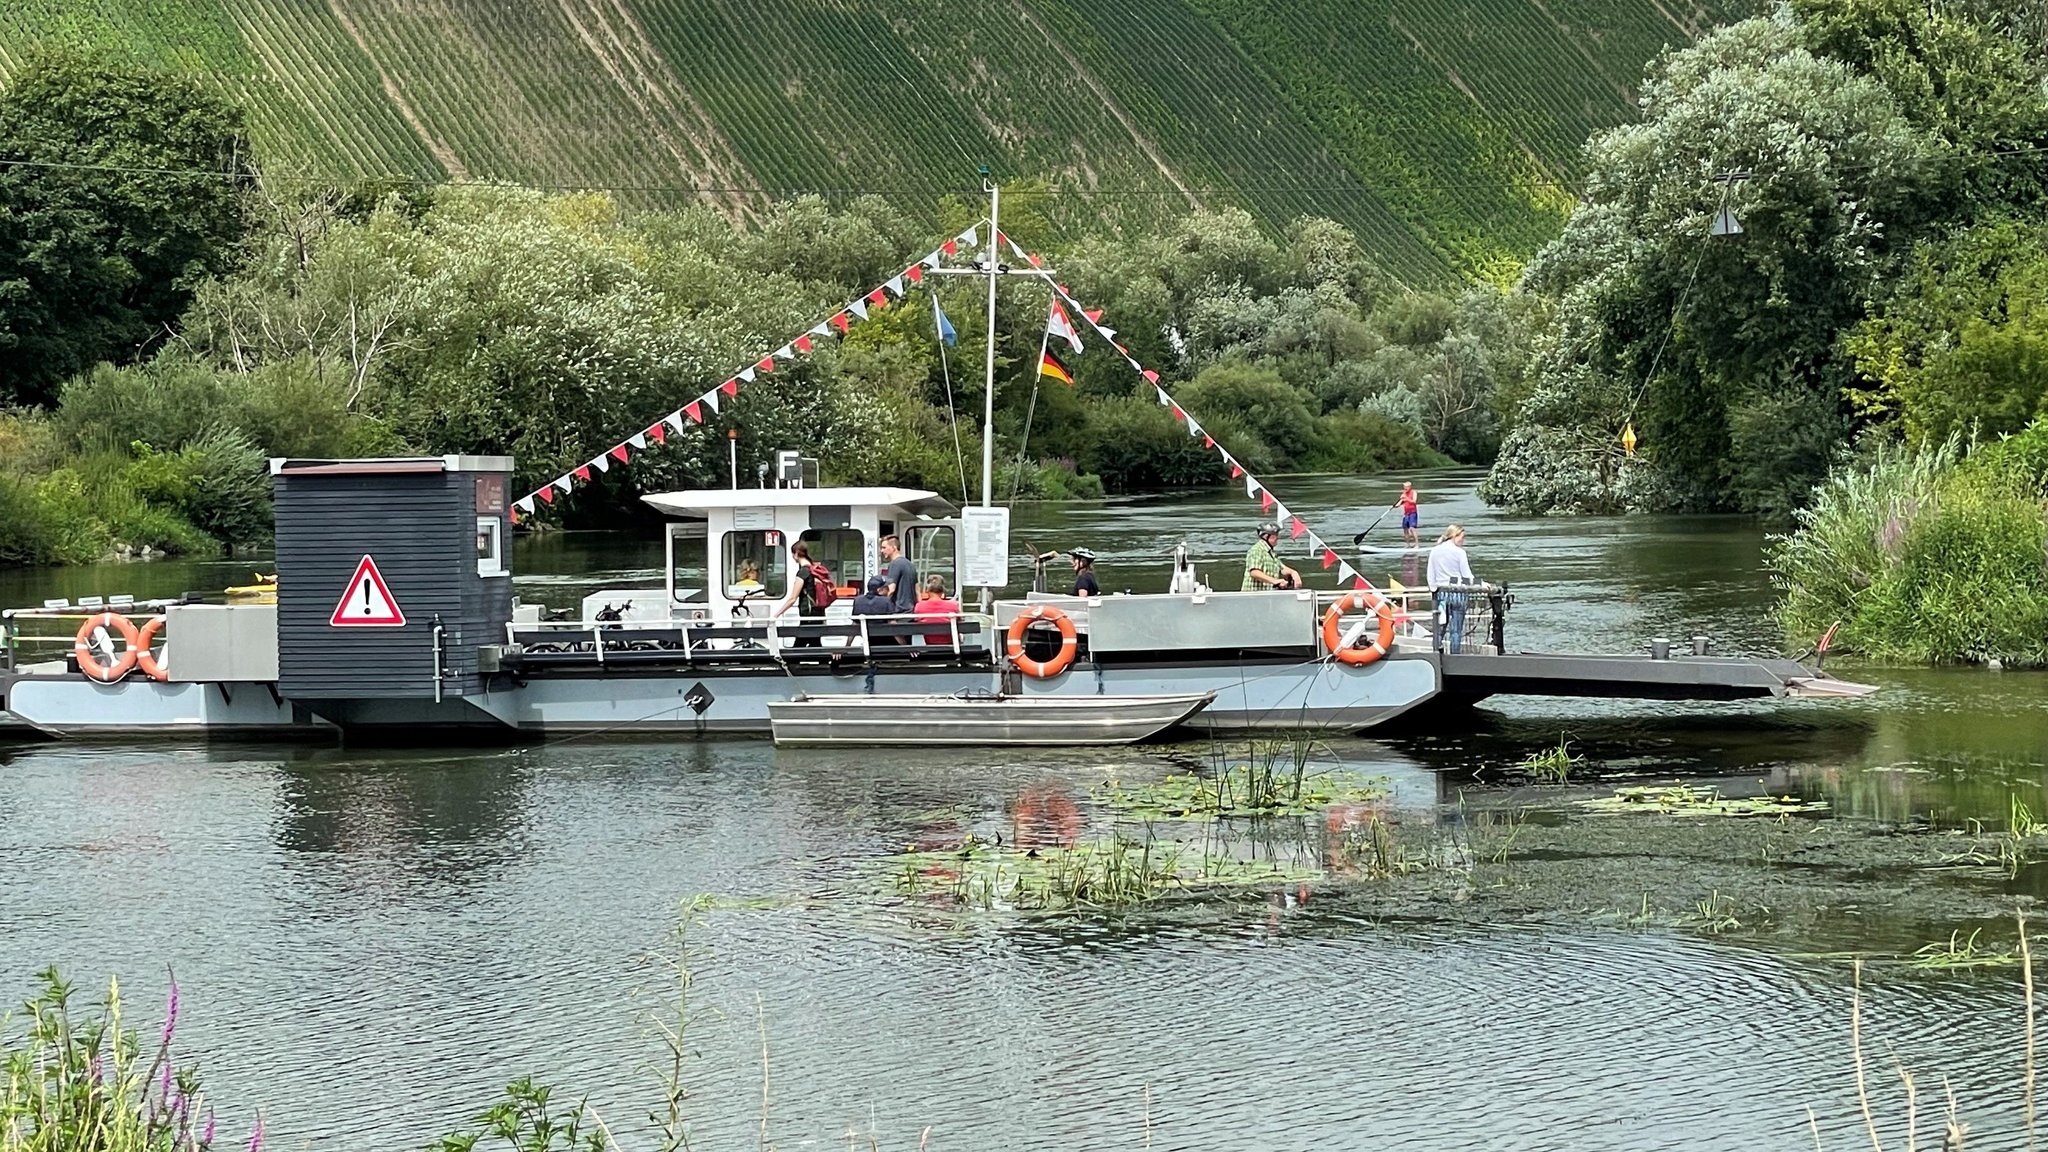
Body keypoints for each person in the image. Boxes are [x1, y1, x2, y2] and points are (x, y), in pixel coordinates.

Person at [1426, 524, 1478, 653]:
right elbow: (1467, 577)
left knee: (1440, 627)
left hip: (1441, 595)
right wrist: (1481, 583)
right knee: (1456, 630)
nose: (1463, 540)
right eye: (1462, 537)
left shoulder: (1435, 551)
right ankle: (1455, 656)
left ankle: (1436, 653)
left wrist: (1434, 590)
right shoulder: (1460, 553)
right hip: (1458, 594)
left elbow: (1430, 576)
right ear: (1454, 536)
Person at [771, 540, 825, 647]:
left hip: (808, 617)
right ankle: (826, 662)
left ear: (796, 553)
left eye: (792, 553)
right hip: (817, 614)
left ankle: (791, 663)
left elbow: (792, 598)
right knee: (815, 646)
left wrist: (776, 615)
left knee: (798, 648)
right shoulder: (814, 570)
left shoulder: (803, 572)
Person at [1241, 522, 1302, 592]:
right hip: (1252, 597)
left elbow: (1282, 569)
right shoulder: (1256, 550)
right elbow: (1254, 572)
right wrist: (1274, 581)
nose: (1277, 537)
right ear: (1266, 536)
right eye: (1275, 535)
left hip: (1267, 596)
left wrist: (1293, 573)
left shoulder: (1271, 553)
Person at [913, 574, 962, 646]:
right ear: (943, 590)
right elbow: (960, 621)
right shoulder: (953, 606)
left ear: (927, 590)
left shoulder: (919, 606)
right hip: (950, 644)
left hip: (930, 644)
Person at [878, 534, 917, 615]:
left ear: (894, 548)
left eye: (884, 548)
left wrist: (882, 606)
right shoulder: (910, 564)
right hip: (911, 611)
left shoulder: (895, 564)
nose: (881, 551)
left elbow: (891, 589)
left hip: (899, 611)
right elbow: (917, 590)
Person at [1399, 481, 1420, 547]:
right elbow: (1401, 502)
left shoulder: (1414, 492)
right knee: (1405, 529)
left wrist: (1406, 498)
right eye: (1404, 487)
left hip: (1412, 513)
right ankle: (1408, 545)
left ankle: (1417, 545)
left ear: (1409, 487)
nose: (1405, 488)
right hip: (1406, 513)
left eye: (1406, 487)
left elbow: (1414, 501)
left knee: (1412, 528)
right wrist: (1396, 505)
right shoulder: (1404, 493)